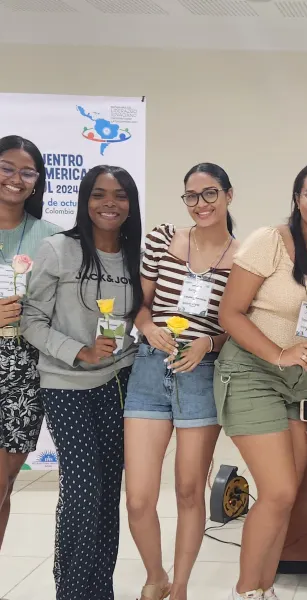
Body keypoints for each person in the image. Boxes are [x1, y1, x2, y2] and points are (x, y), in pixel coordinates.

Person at [215, 162, 307, 600]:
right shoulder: (269, 241)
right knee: (278, 491)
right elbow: (230, 313)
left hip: (302, 384)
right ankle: (244, 591)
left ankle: (264, 588)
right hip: (252, 372)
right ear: (296, 199)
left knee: (286, 497)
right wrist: (277, 353)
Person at [21, 165, 143, 600]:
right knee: (83, 490)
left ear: (131, 204)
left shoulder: (135, 257)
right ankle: (72, 591)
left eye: (120, 195)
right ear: (84, 200)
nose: (110, 203)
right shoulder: (58, 250)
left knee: (108, 493)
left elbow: (138, 319)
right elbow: (31, 321)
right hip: (65, 384)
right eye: (99, 194)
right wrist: (80, 351)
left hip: (117, 383)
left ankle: (99, 590)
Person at [123, 163, 239, 600]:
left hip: (201, 375)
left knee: (190, 491)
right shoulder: (162, 239)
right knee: (138, 496)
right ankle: (156, 576)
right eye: (191, 195)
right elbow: (139, 303)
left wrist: (208, 343)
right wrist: (146, 327)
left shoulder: (243, 257)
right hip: (150, 370)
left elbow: (237, 326)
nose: (200, 204)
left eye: (210, 193)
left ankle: (181, 587)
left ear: (228, 195)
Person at [0, 135, 61, 550]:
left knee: (5, 482)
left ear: (37, 181)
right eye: (7, 168)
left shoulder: (52, 237)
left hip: (25, 368)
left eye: (27, 172)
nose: (16, 178)